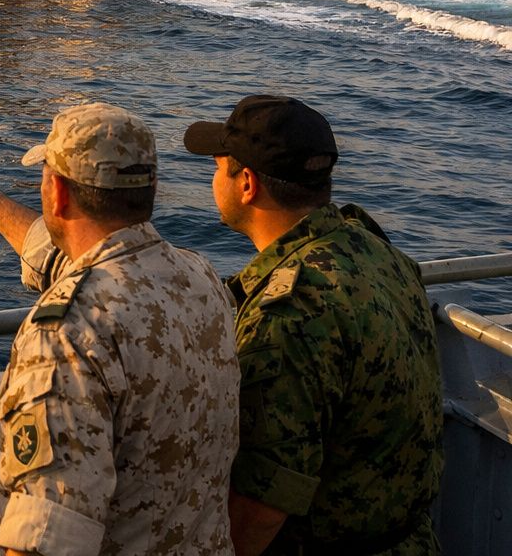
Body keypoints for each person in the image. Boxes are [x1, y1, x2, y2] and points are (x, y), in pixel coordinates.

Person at [0, 102, 238, 556]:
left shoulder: (67, 333)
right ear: (149, 188)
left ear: (57, 193)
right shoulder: (200, 279)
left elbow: (46, 540)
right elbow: (86, 269)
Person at [184, 95, 442, 555]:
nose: (211, 180)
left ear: (247, 183)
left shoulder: (287, 318)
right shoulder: (376, 251)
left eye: (217, 166)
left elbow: (259, 510)